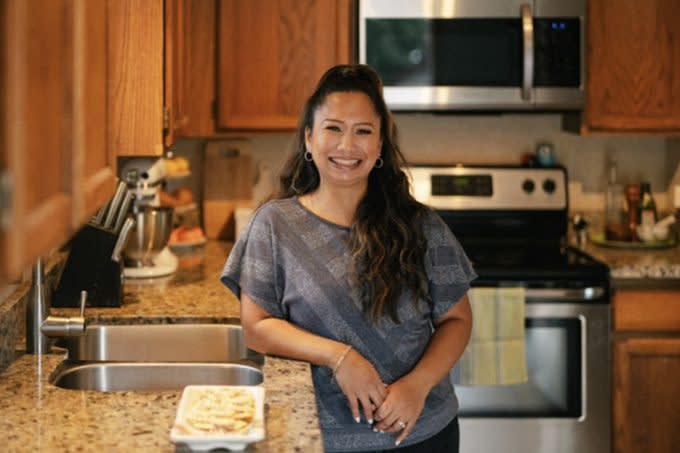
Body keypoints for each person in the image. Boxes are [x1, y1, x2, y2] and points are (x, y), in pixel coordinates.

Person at [221, 64, 476, 452]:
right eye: (333, 128)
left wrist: (417, 385)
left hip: (422, 434)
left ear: (379, 148)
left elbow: (457, 319)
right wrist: (341, 358)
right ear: (309, 139)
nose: (346, 146)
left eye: (363, 131)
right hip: (318, 437)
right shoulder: (274, 224)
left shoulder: (420, 224)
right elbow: (256, 326)